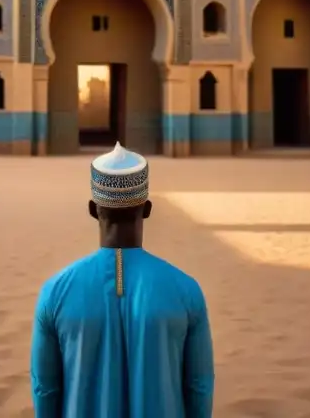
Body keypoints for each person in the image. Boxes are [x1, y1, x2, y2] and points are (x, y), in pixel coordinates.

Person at [30, 142, 215, 417]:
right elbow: (199, 386)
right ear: (148, 208)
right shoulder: (186, 290)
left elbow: (45, 388)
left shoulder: (55, 292)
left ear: (93, 209)